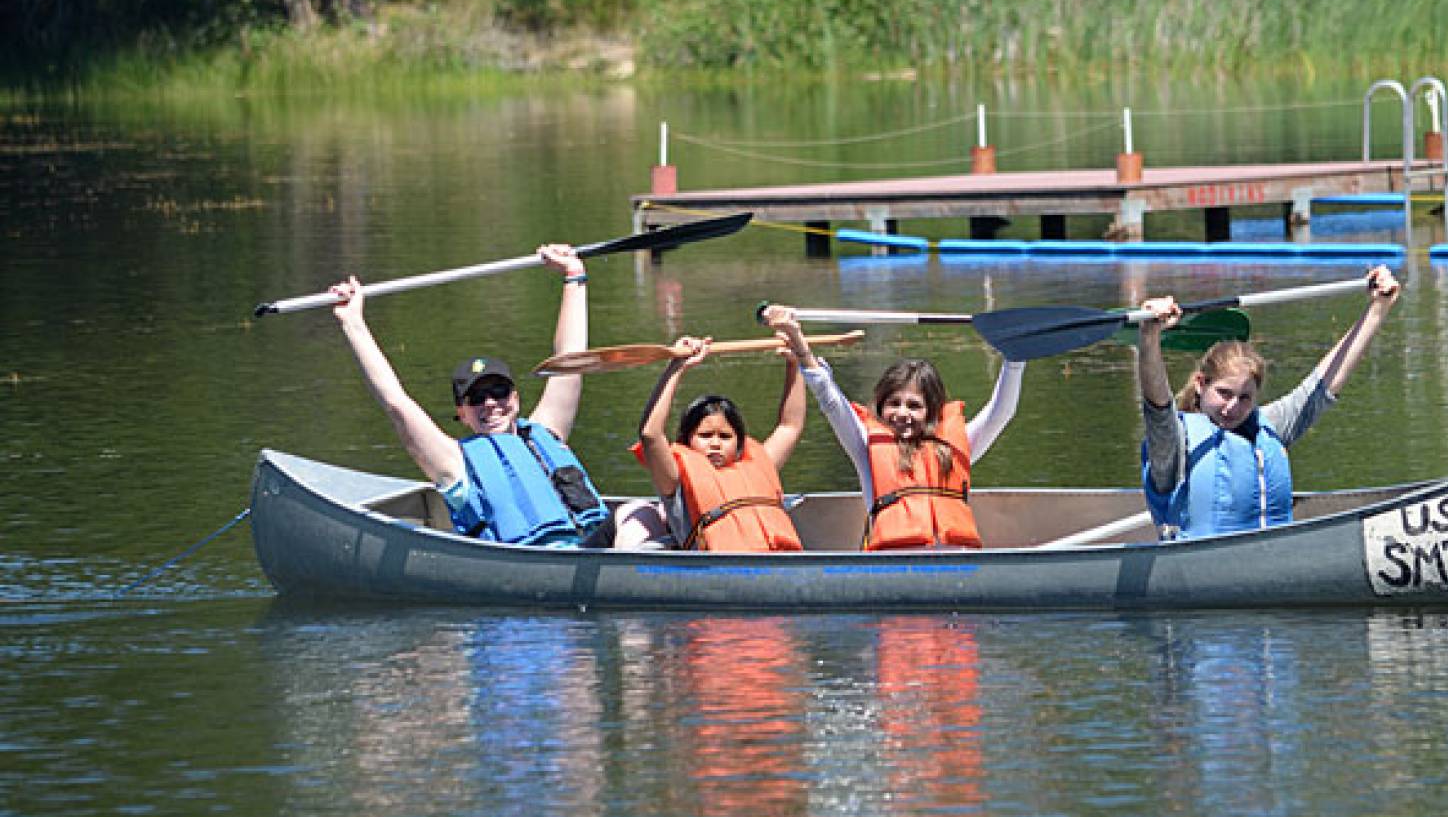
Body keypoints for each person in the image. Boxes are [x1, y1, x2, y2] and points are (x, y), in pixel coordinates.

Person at [327, 243, 614, 548]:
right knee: (631, 519)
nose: (490, 403)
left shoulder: (548, 432)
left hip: (596, 547)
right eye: (476, 398)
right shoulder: (453, 463)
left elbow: (571, 357)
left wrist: (574, 275)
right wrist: (353, 323)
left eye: (498, 391)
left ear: (515, 399)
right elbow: (396, 401)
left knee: (641, 514)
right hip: (540, 561)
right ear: (461, 413)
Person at [1135, 265, 1402, 540]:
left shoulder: (1269, 426)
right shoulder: (1174, 442)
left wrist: (1378, 309)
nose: (1232, 408)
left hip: (1272, 561)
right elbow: (1157, 404)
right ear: (1201, 385)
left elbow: (1322, 385)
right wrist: (1149, 335)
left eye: (1244, 398)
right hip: (1193, 568)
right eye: (1224, 394)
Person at [761, 304, 1024, 551]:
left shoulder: (954, 447)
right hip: (894, 565)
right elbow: (830, 399)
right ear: (881, 406)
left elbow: (1001, 413)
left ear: (931, 411)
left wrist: (1015, 358)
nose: (902, 413)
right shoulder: (867, 446)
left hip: (958, 564)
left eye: (914, 406)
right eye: (893, 403)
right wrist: (797, 340)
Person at [630, 332, 806, 551]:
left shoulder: (758, 462)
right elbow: (650, 434)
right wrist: (676, 368)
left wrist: (795, 362)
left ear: (739, 444)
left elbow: (790, 425)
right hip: (717, 569)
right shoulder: (674, 479)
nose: (715, 444)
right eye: (705, 436)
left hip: (778, 563)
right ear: (687, 440)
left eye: (725, 436)